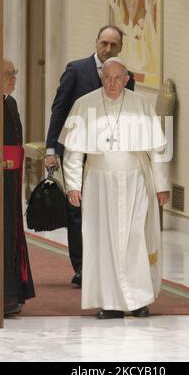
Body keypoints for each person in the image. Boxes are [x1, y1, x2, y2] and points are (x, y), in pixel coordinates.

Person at [61, 57, 171, 318]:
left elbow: (158, 150)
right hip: (99, 183)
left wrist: (162, 185)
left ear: (126, 79)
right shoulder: (84, 104)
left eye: (117, 78)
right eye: (107, 78)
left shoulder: (141, 105)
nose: (111, 83)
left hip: (136, 182)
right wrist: (73, 185)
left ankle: (138, 301)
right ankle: (109, 303)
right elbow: (73, 151)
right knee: (103, 240)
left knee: (136, 239)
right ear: (102, 78)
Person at [45, 25, 135, 287]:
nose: (108, 49)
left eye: (114, 45)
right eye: (104, 43)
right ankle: (82, 266)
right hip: (78, 151)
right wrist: (53, 150)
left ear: (120, 48)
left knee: (105, 209)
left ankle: (106, 263)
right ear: (96, 42)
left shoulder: (126, 76)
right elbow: (59, 111)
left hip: (110, 156)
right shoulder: (76, 70)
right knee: (77, 209)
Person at [2, 60, 35, 316]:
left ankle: (15, 293)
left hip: (12, 178)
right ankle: (2, 294)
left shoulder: (10, 102)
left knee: (13, 231)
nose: (13, 78)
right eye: (7, 74)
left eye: (15, 73)